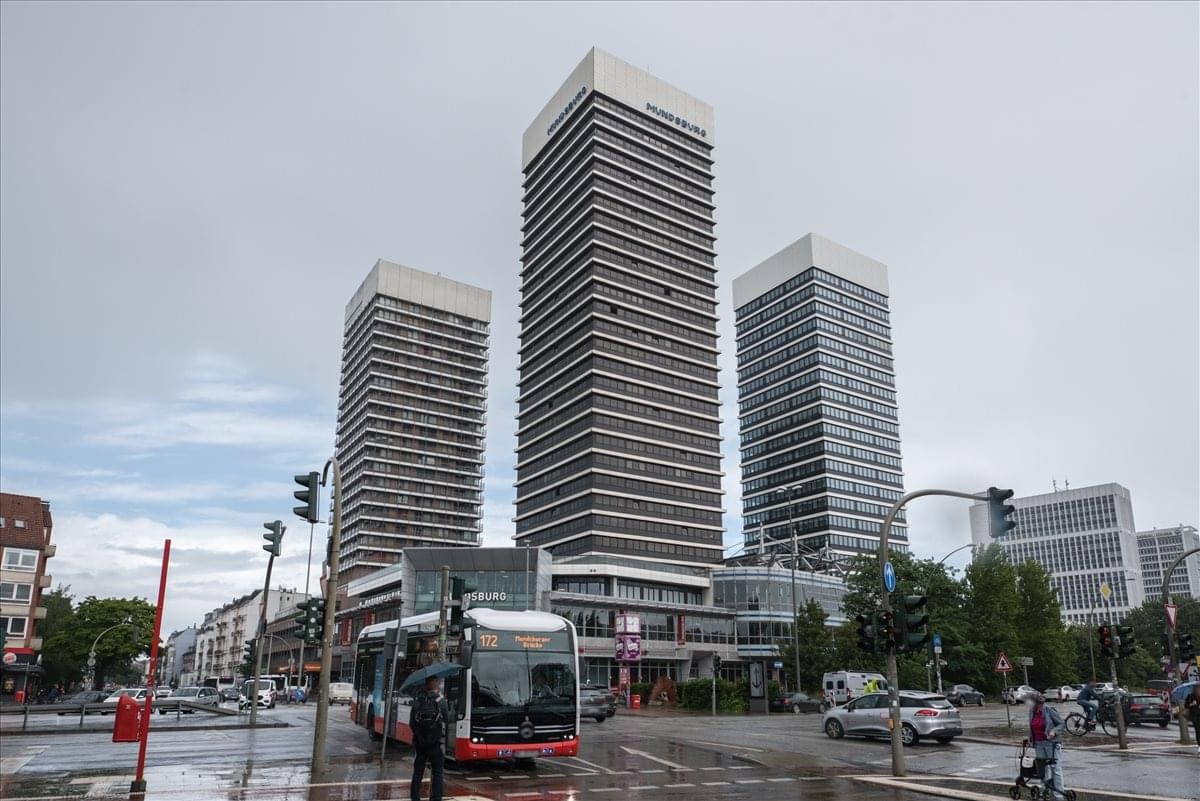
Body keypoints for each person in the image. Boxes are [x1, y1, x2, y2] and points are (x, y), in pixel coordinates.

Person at [410, 675, 450, 801]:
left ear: (426, 685)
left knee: (418, 773)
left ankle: (415, 797)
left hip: (421, 745)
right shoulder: (442, 702)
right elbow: (447, 721)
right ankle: (436, 798)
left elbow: (412, 723)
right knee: (437, 772)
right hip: (435, 744)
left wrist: (419, 737)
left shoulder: (418, 702)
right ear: (436, 684)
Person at [1027, 693, 1066, 801]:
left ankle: (1059, 796)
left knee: (1055, 769)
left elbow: (1062, 723)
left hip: (1051, 743)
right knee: (1042, 770)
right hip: (1038, 744)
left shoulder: (1049, 710)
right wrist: (1029, 738)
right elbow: (1032, 727)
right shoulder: (1032, 712)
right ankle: (1044, 792)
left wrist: (1054, 731)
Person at [1183, 684, 1200, 755]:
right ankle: (1199, 745)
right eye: (1197, 688)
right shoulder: (1190, 696)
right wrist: (1191, 704)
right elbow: (1186, 705)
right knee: (1198, 731)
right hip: (1195, 716)